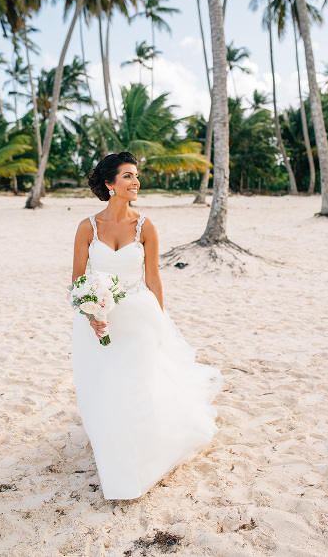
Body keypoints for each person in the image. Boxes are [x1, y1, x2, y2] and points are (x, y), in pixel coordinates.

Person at [71, 152, 223, 500]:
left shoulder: (146, 226)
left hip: (140, 316)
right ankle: (115, 452)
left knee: (135, 387)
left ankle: (138, 465)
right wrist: (91, 314)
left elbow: (153, 278)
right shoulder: (87, 227)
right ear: (109, 183)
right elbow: (78, 278)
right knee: (106, 388)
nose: (135, 182)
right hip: (100, 320)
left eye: (136, 175)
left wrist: (161, 322)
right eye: (127, 176)